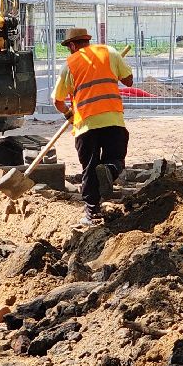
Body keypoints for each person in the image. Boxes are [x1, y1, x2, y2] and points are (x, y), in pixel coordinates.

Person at [51, 27, 132, 225]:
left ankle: (92, 213)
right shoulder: (110, 52)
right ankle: (110, 170)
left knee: (89, 168)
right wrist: (114, 73)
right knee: (115, 159)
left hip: (86, 125)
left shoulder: (69, 65)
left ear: (72, 45)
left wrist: (69, 114)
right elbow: (129, 81)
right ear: (87, 40)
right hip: (113, 120)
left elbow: (57, 101)